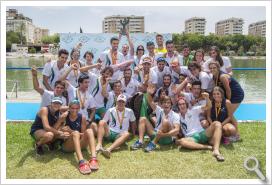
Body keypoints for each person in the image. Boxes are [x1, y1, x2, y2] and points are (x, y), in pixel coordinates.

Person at [175, 93, 225, 162]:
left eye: (183, 104)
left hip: (201, 133)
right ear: (178, 106)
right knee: (182, 142)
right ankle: (208, 147)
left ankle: (216, 150)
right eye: (180, 104)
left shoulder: (194, 110)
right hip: (191, 138)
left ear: (186, 104)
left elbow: (209, 106)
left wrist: (207, 98)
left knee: (217, 124)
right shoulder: (177, 116)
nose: (182, 106)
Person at [131, 84, 180, 152]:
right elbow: (150, 101)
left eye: (168, 103)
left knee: (165, 122)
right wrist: (148, 93)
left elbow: (177, 130)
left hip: (166, 138)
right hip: (155, 133)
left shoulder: (175, 115)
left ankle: (153, 143)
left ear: (171, 105)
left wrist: (164, 135)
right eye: (164, 103)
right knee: (143, 118)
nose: (166, 104)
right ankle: (140, 141)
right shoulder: (159, 110)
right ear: (162, 104)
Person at [55, 99, 98, 175]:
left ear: (79, 108)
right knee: (75, 133)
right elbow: (54, 129)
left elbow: (83, 134)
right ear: (69, 108)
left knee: (89, 131)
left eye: (76, 108)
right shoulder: (64, 116)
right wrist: (61, 131)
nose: (74, 110)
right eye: (72, 108)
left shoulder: (82, 117)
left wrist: (70, 131)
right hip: (67, 146)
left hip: (79, 143)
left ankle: (93, 159)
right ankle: (81, 162)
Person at [208, 61, 244, 141]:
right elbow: (216, 88)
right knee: (228, 113)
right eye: (210, 68)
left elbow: (228, 90)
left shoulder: (222, 77)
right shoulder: (214, 76)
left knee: (230, 113)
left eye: (214, 68)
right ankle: (226, 132)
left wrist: (227, 102)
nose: (212, 69)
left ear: (218, 68)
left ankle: (237, 134)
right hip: (229, 94)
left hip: (236, 94)